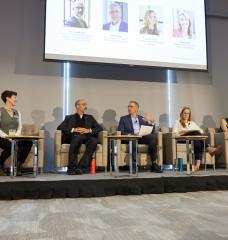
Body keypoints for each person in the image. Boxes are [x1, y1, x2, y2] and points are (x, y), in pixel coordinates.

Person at [57, 99, 102, 175]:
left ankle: (81, 167)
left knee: (94, 141)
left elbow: (99, 128)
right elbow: (60, 127)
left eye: (85, 104)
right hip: (75, 136)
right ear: (77, 106)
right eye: (84, 104)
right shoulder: (69, 118)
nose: (85, 106)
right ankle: (71, 168)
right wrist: (74, 129)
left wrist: (88, 130)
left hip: (87, 136)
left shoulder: (90, 117)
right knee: (77, 138)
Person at [118, 100, 162, 173]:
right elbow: (120, 131)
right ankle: (134, 164)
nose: (129, 108)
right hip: (130, 137)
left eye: (131, 106)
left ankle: (154, 164)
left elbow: (151, 130)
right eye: (128, 106)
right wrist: (130, 135)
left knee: (152, 137)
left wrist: (152, 122)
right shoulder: (123, 119)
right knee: (133, 139)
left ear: (136, 109)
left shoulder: (142, 118)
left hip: (141, 137)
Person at [173, 106, 220, 172]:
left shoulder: (192, 123)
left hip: (191, 140)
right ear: (181, 113)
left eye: (188, 113)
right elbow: (174, 133)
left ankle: (197, 165)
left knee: (197, 141)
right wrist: (183, 131)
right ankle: (208, 148)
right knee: (195, 132)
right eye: (185, 113)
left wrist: (192, 131)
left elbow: (201, 131)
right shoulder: (177, 122)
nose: (186, 115)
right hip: (182, 139)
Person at [0, 90, 33, 176]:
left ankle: (17, 166)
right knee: (10, 146)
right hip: (2, 137)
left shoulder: (16, 112)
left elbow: (20, 126)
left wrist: (15, 136)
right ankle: (0, 165)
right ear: (7, 98)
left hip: (14, 138)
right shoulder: (1, 111)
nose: (16, 100)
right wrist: (7, 137)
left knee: (28, 143)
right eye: (14, 97)